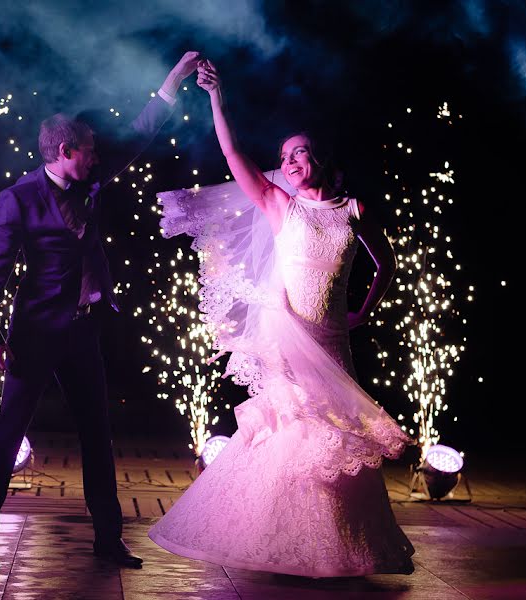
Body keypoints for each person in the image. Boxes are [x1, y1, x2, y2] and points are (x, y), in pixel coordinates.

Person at [148, 59, 415, 576]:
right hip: (290, 341)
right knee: (291, 436)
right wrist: (216, 98)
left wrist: (363, 310)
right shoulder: (278, 206)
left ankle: (339, 549)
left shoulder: (353, 210)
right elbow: (232, 153)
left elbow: (387, 265)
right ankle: (281, 542)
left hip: (332, 342)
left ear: (319, 157)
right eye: (284, 156)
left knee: (334, 442)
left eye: (300, 153)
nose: (291, 162)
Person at [0, 51, 201, 570]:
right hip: (34, 333)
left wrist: (174, 79)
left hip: (83, 331)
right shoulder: (19, 198)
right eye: (89, 152)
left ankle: (107, 539)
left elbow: (140, 132)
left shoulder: (91, 177)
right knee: (8, 434)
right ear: (65, 152)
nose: (98, 158)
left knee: (98, 433)